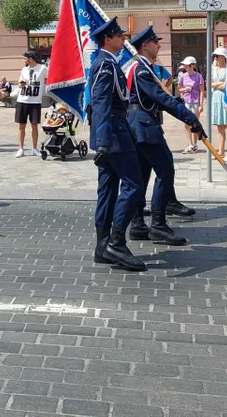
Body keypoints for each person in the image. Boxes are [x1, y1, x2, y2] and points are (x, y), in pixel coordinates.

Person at [125, 26, 204, 246]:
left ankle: (138, 224)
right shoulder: (141, 69)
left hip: (141, 124)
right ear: (144, 46)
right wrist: (190, 118)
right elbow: (160, 98)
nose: (159, 45)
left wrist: (180, 107)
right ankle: (158, 226)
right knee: (166, 169)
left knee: (142, 175)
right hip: (144, 126)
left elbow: (158, 98)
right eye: (155, 42)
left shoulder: (143, 68)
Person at [88, 18, 146, 272]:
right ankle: (116, 242)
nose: (123, 40)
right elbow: (100, 103)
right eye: (119, 37)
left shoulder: (109, 63)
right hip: (114, 134)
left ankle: (102, 246)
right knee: (134, 184)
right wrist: (103, 141)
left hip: (112, 132)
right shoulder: (106, 65)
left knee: (109, 189)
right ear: (107, 40)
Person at [15, 50, 47, 158]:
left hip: (35, 102)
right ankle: (20, 149)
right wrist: (21, 84)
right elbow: (20, 84)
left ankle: (34, 148)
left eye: (25, 58)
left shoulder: (42, 69)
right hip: (22, 100)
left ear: (31, 59)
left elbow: (50, 78)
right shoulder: (24, 69)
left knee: (34, 125)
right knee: (21, 125)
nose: (24, 61)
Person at [209, 48, 227, 162]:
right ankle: (220, 151)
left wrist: (217, 85)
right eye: (215, 56)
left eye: (218, 56)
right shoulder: (214, 69)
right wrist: (217, 84)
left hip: (225, 97)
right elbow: (210, 83)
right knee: (220, 126)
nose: (216, 58)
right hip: (215, 98)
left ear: (224, 57)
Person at [178, 57, 204, 153]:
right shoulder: (182, 76)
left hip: (196, 102)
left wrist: (201, 105)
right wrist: (185, 90)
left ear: (193, 65)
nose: (186, 67)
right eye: (185, 65)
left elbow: (202, 91)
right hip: (186, 102)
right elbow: (179, 89)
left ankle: (195, 144)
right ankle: (190, 144)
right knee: (186, 124)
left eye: (188, 65)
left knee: (195, 123)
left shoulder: (198, 76)